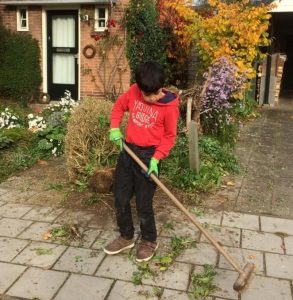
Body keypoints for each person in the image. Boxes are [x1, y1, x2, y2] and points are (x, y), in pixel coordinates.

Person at [103, 61, 179, 262]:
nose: (151, 98)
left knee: (143, 202)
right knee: (120, 196)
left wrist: (157, 158)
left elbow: (170, 136)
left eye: (154, 94)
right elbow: (119, 107)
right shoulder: (135, 91)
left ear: (160, 87)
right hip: (128, 151)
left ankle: (149, 240)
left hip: (150, 156)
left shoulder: (169, 106)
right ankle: (126, 236)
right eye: (147, 95)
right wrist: (114, 128)